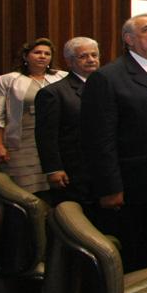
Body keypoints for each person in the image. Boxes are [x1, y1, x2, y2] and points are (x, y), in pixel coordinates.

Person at [81, 14, 147, 271]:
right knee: (134, 259)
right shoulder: (107, 78)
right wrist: (109, 187)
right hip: (132, 188)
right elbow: (99, 139)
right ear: (128, 39)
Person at [0, 38, 67, 196]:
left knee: (56, 190)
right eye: (37, 52)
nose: (42, 56)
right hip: (22, 142)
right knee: (26, 192)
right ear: (25, 56)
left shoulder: (62, 77)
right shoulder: (6, 80)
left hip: (55, 142)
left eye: (47, 53)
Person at [35, 37, 101, 205]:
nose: (91, 60)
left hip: (102, 167)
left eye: (94, 55)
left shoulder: (107, 87)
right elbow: (46, 136)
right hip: (74, 170)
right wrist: (53, 169)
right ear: (70, 62)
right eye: (83, 56)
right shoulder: (53, 93)